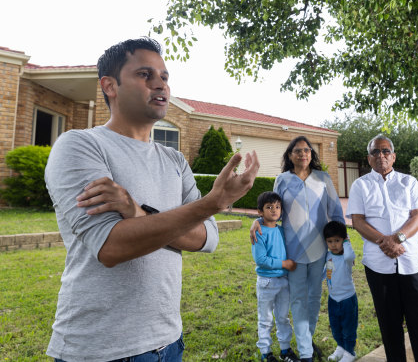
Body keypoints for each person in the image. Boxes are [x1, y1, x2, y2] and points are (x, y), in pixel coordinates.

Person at [44, 37, 259, 361]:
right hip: (100, 348)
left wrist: (135, 211)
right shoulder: (79, 146)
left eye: (165, 76)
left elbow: (207, 238)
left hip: (169, 341)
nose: (160, 83)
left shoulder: (174, 161)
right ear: (110, 86)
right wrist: (210, 204)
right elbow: (112, 247)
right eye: (145, 75)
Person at [346, 134, 418, 362]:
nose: (381, 155)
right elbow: (357, 221)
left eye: (386, 151)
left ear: (394, 156)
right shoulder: (360, 185)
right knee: (389, 327)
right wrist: (384, 242)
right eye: (375, 152)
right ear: (369, 159)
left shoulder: (409, 182)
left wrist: (396, 239)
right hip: (379, 267)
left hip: (412, 264)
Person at [251, 136, 345, 362]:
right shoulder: (282, 180)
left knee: (313, 299)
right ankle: (305, 353)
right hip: (292, 252)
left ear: (312, 154)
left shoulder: (323, 178)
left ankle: (306, 340)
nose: (303, 154)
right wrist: (257, 222)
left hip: (319, 249)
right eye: (297, 151)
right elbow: (273, 209)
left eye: (307, 150)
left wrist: (341, 243)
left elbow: (337, 213)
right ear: (290, 155)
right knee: (299, 300)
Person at [252, 191, 301, 362]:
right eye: (269, 207)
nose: (274, 210)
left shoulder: (282, 231)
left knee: (282, 317)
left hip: (284, 281)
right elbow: (261, 259)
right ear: (260, 212)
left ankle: (285, 350)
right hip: (267, 282)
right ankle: (266, 353)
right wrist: (284, 264)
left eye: (278, 207)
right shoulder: (258, 232)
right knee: (265, 319)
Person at [322, 221, 358, 362]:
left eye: (337, 240)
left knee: (348, 328)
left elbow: (350, 256)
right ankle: (341, 347)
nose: (333, 245)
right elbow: (327, 272)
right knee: (336, 327)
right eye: (330, 241)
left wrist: (347, 241)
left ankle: (350, 352)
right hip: (333, 299)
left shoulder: (346, 258)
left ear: (343, 239)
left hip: (347, 299)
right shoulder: (328, 255)